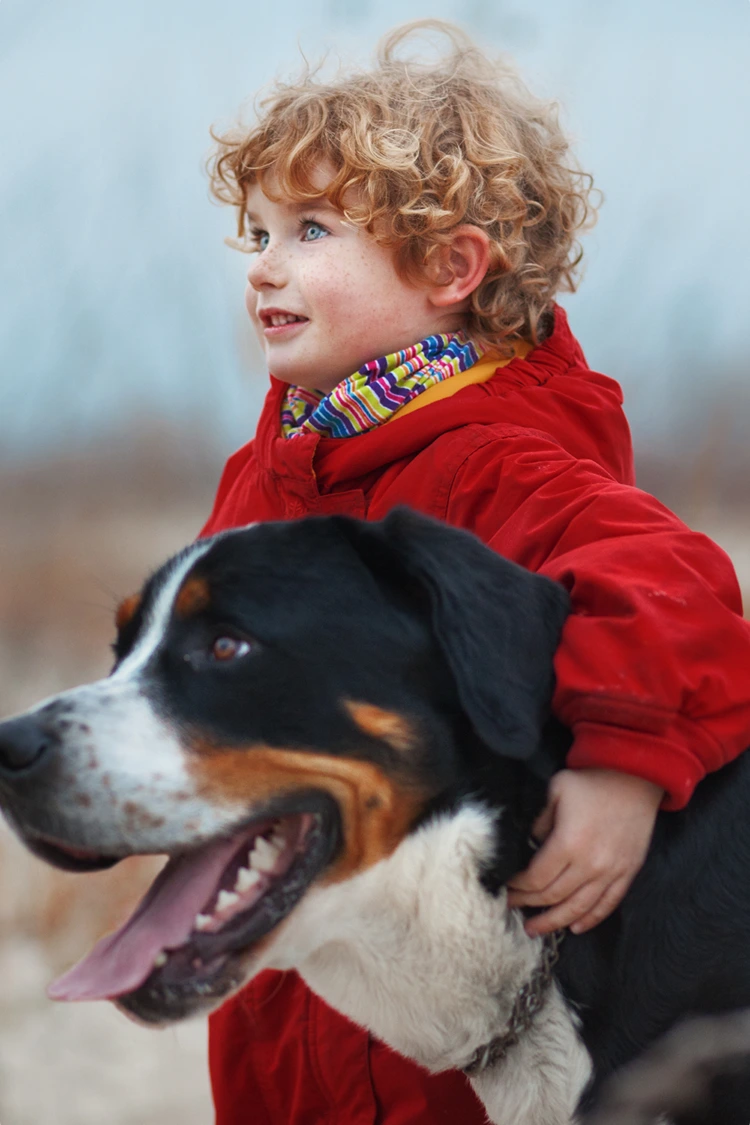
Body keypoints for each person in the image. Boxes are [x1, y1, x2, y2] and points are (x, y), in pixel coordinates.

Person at [200, 20, 750, 1124]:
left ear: (453, 268)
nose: (263, 263)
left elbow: (676, 585)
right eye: (257, 230)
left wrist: (621, 770)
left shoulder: (498, 462)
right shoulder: (265, 476)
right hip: (294, 968)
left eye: (310, 230)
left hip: (448, 1008)